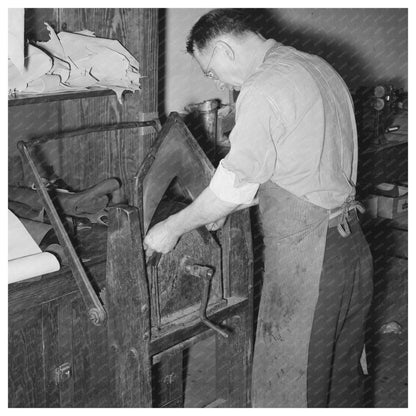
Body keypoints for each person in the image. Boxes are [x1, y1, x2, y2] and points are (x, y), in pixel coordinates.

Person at [144, 8, 373, 408]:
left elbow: (233, 187)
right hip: (352, 251)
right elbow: (292, 170)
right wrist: (215, 209)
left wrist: (172, 228)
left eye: (210, 70)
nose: (216, 81)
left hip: (312, 265)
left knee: (289, 390)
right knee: (340, 384)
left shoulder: (263, 86)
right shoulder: (316, 67)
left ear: (223, 49)